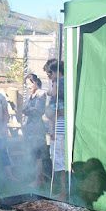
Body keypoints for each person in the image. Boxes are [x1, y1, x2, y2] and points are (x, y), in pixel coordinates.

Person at [43, 59, 66, 201]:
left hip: (60, 130)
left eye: (49, 74)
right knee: (59, 161)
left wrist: (49, 92)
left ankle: (64, 192)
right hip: (56, 128)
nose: (49, 77)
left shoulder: (59, 83)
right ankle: (63, 190)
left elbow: (60, 110)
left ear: (57, 71)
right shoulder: (64, 85)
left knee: (61, 162)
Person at [22, 73, 49, 187]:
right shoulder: (31, 95)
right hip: (30, 128)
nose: (28, 86)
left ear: (35, 82)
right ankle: (40, 178)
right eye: (26, 84)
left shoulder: (41, 94)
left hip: (37, 128)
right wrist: (29, 109)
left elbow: (38, 111)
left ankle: (37, 180)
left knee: (38, 154)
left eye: (29, 83)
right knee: (34, 154)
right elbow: (24, 110)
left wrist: (30, 109)